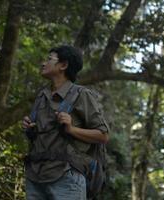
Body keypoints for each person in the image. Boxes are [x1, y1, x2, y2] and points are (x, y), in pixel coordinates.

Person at [21, 45, 110, 200]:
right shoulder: (42, 96)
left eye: (49, 59)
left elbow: (103, 135)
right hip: (35, 177)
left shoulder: (81, 95)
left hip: (67, 177)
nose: (43, 63)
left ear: (63, 65)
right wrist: (30, 128)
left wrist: (71, 129)